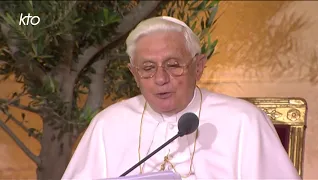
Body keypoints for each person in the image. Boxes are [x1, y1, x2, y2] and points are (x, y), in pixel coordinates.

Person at [62, 16, 301, 180]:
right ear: (134, 74)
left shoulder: (244, 121)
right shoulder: (108, 125)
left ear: (198, 67)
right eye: (147, 68)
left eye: (173, 65)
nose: (160, 78)